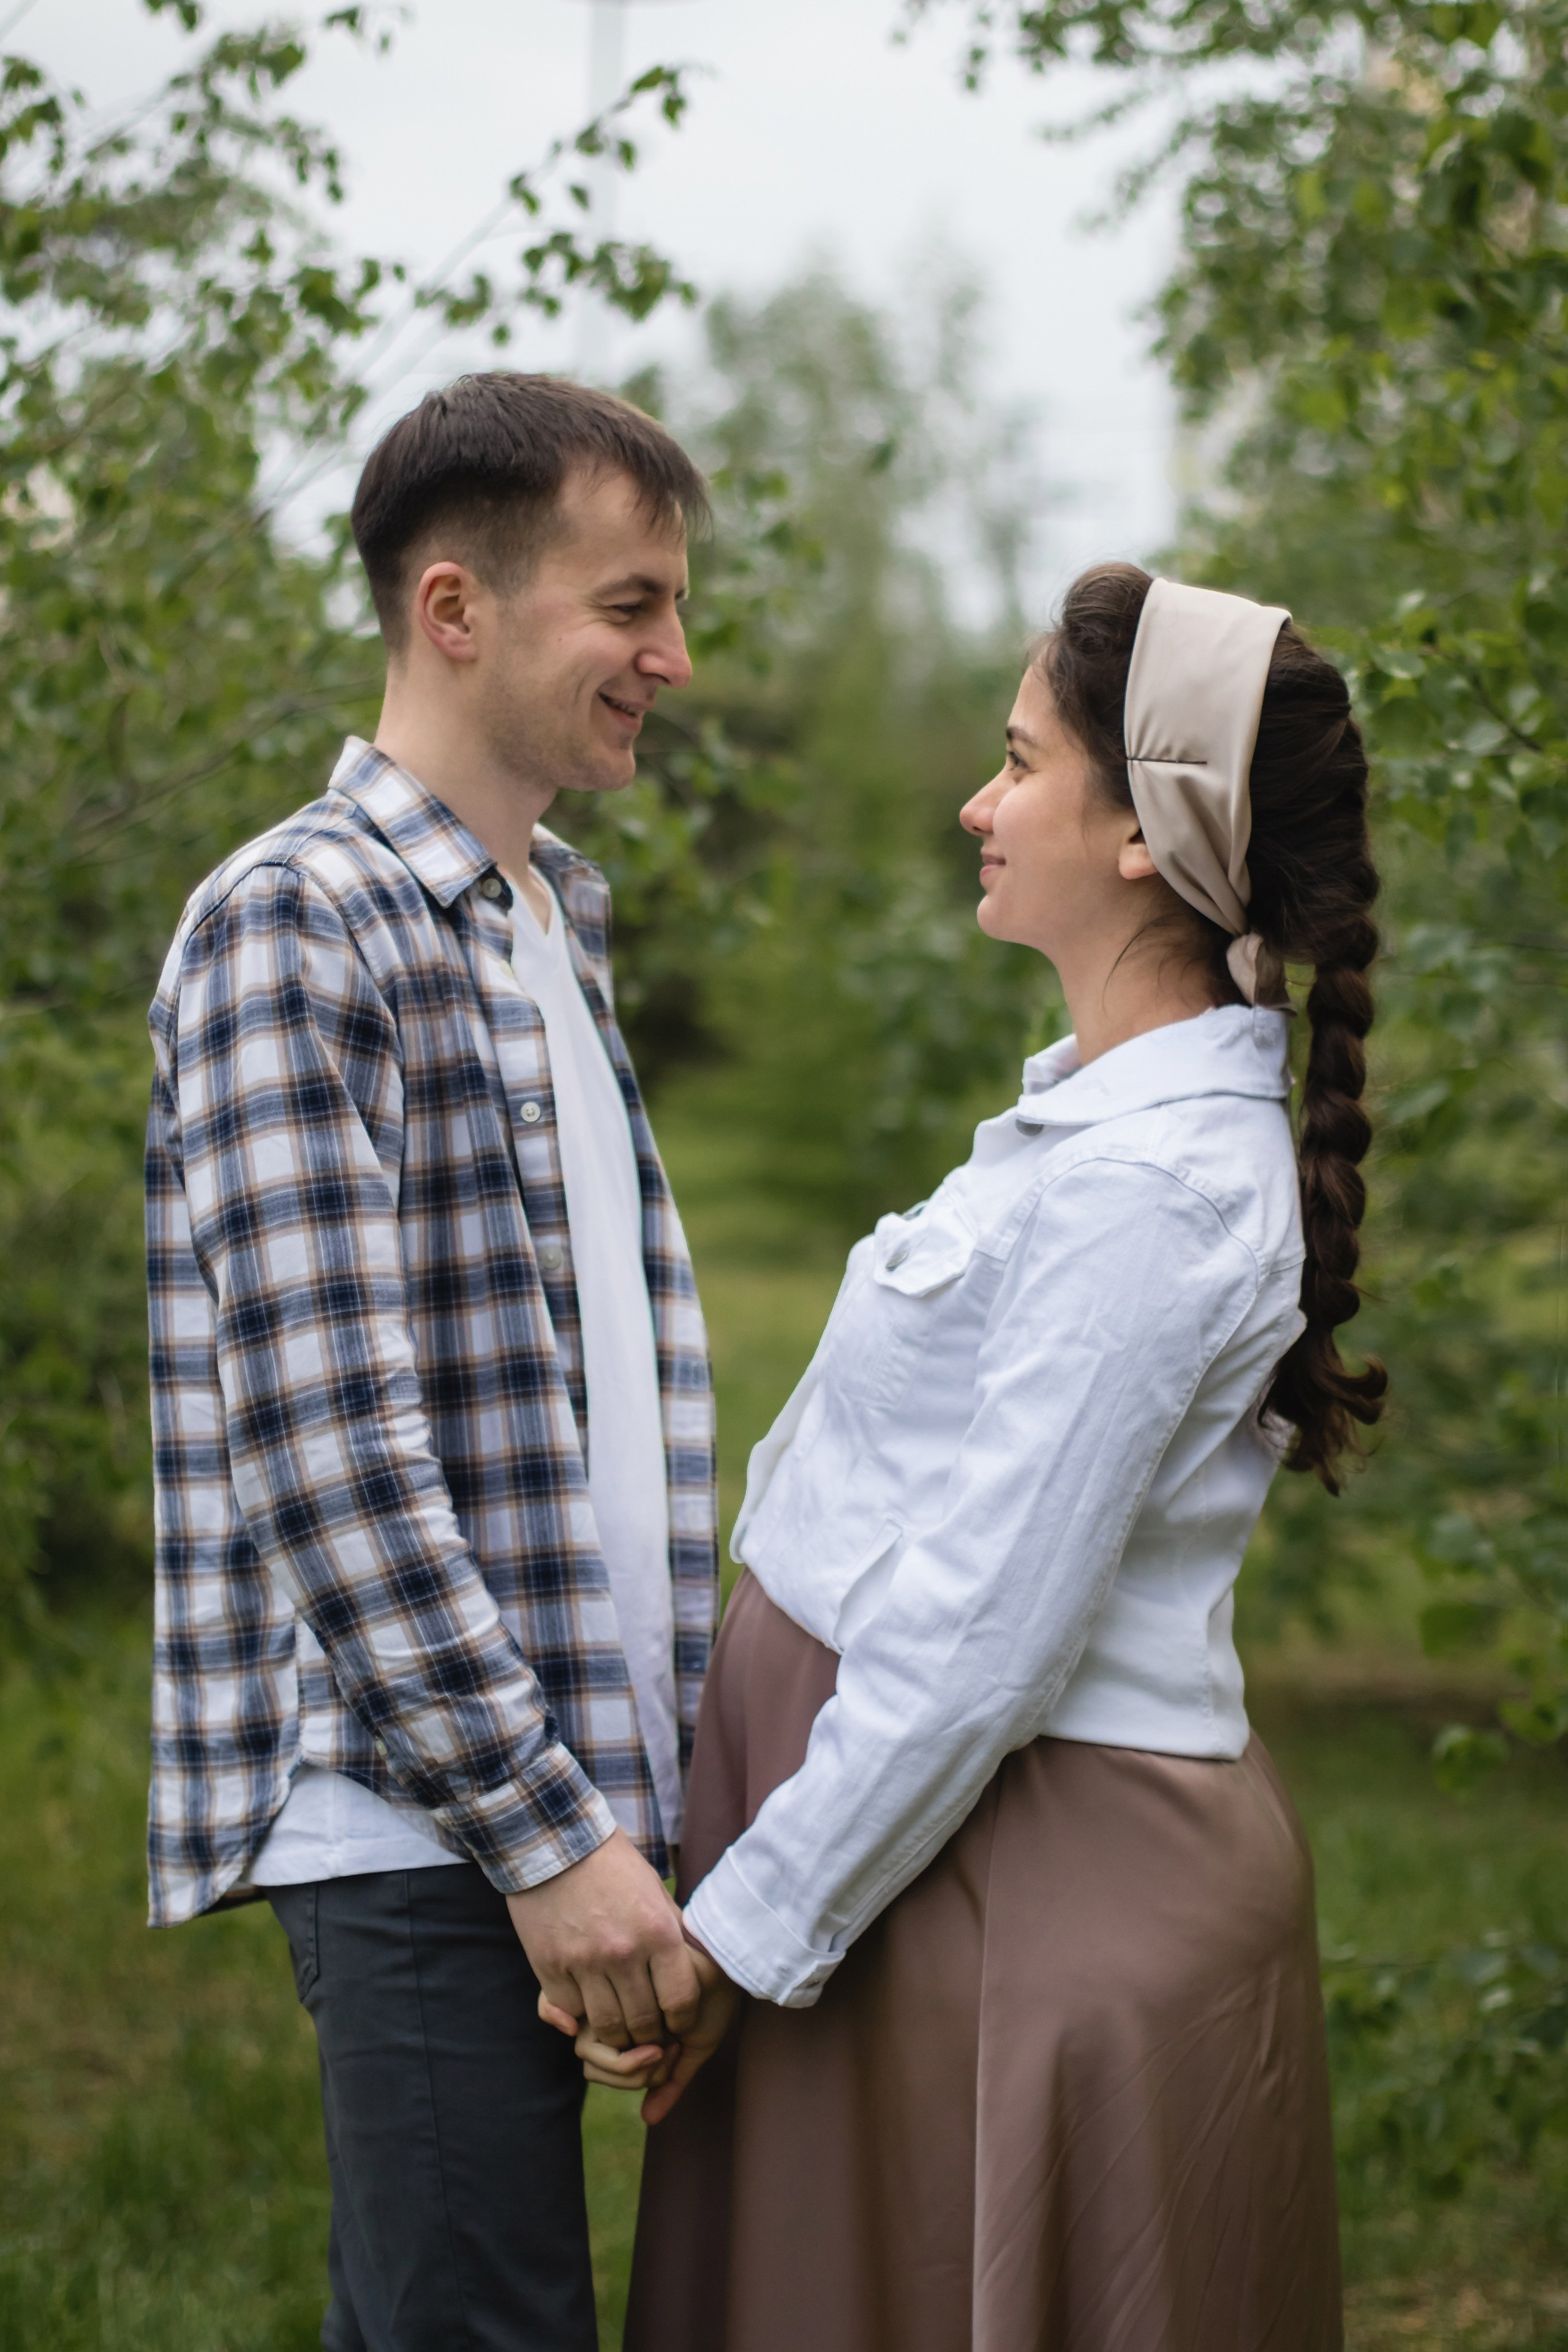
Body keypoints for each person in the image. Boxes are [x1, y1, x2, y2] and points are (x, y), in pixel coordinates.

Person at [585, 564, 1384, 2351]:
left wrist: (740, 1936)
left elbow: (980, 1633)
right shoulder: (1090, 1130)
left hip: (997, 1889)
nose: (977, 800)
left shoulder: (1150, 1191)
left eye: (1017, 760)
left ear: (1138, 832)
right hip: (920, 1866)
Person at [143, 372, 719, 2352]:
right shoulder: (295, 923)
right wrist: (547, 1837)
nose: (674, 656)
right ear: (457, 608)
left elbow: (578, 1415)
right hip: (422, 1814)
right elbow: (328, 1448)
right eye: (630, 607)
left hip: (544, 1794)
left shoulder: (550, 917)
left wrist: (625, 1808)